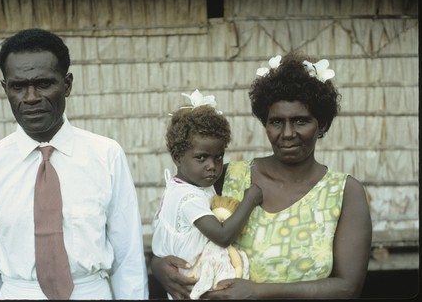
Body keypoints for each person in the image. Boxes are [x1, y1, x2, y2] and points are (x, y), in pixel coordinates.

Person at [150, 52, 372, 299]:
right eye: (276, 121)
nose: (287, 133)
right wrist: (158, 265)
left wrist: (257, 292)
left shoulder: (344, 192)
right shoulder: (229, 176)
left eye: (300, 121)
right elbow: (177, 224)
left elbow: (347, 288)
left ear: (321, 124)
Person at [0, 28, 148, 300]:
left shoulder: (106, 156)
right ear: (5, 88)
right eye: (18, 86)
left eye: (43, 84)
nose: (30, 97)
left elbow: (129, 259)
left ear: (66, 84)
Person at [151, 90, 262, 299]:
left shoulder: (185, 185)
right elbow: (222, 235)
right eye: (201, 158)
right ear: (177, 157)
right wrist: (250, 199)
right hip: (193, 287)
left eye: (218, 157)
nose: (212, 166)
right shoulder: (188, 197)